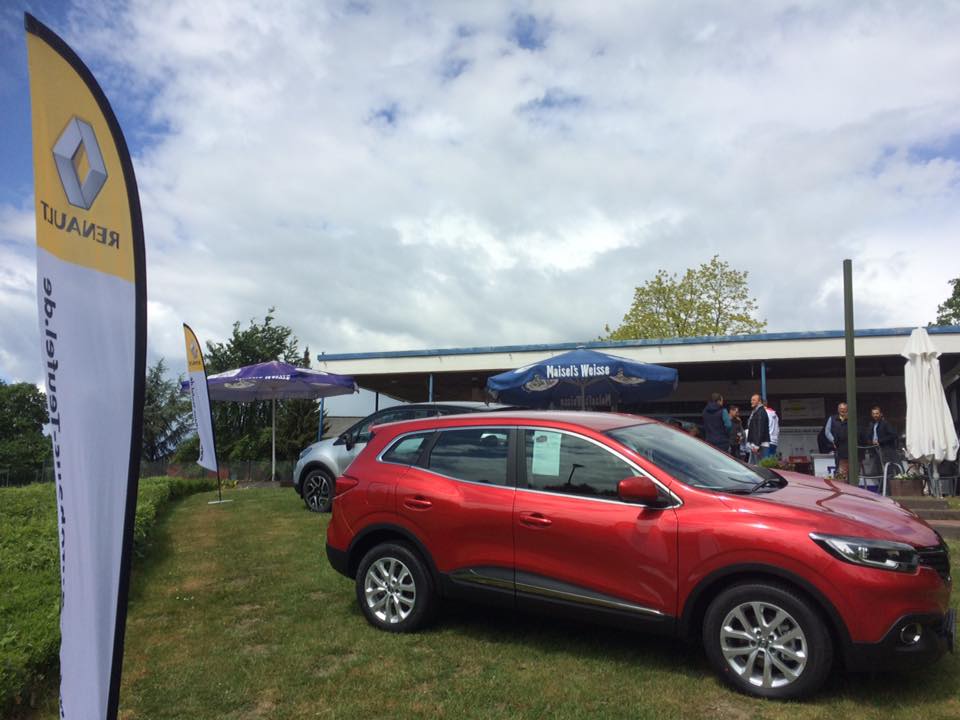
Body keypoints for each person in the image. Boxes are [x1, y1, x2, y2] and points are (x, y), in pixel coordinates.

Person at [863, 405, 898, 470]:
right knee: (878, 468)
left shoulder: (885, 423)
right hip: (875, 449)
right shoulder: (872, 424)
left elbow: (893, 435)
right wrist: (870, 441)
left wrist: (880, 441)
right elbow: (868, 436)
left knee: (887, 468)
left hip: (885, 450)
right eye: (873, 414)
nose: (875, 415)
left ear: (881, 414)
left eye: (877, 413)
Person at [824, 402, 850, 480]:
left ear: (847, 410)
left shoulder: (850, 419)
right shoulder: (832, 418)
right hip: (838, 447)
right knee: (839, 467)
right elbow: (827, 431)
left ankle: (850, 484)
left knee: (850, 469)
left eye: (844, 409)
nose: (842, 410)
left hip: (849, 447)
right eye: (841, 409)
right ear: (838, 410)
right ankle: (840, 483)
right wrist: (833, 440)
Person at [745, 393, 770, 464]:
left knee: (759, 467)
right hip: (757, 444)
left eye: (753, 400)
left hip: (760, 445)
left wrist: (756, 445)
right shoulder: (756, 412)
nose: (751, 402)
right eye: (751, 400)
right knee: (754, 466)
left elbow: (760, 429)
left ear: (759, 402)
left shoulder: (760, 412)